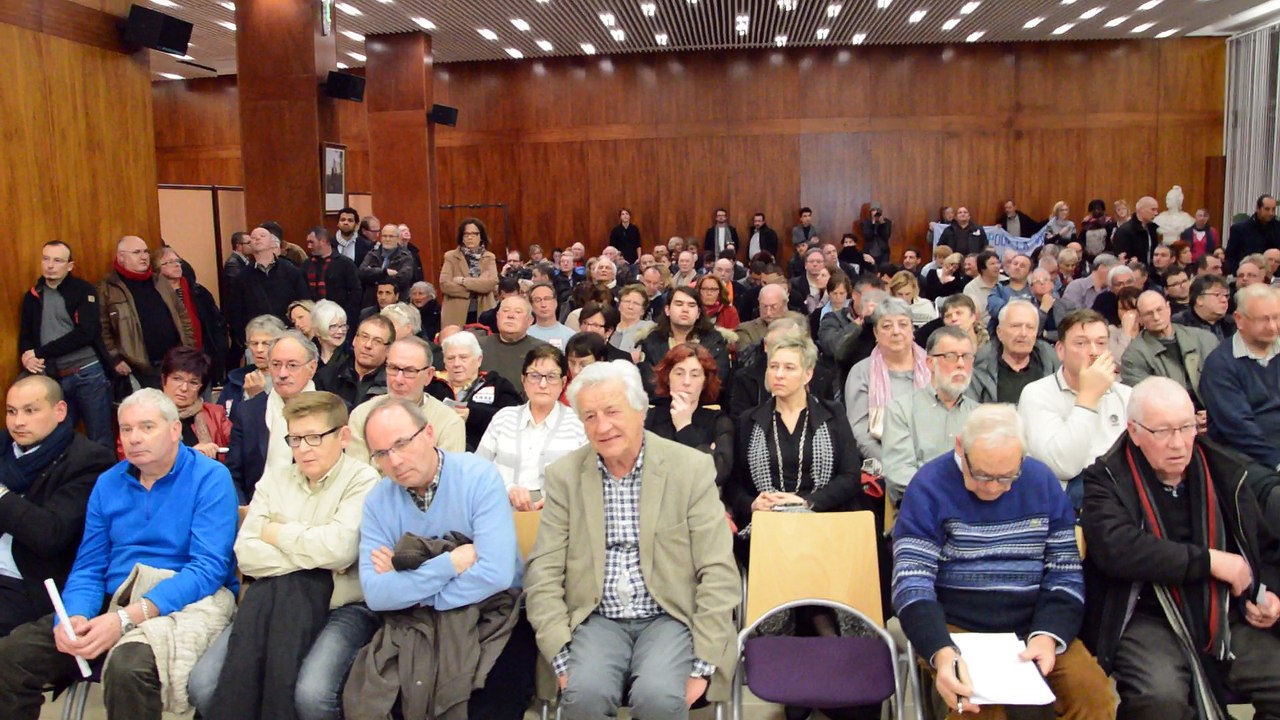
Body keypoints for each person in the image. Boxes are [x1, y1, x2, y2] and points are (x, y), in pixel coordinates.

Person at [0, 388, 238, 720]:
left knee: (128, 668)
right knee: (13, 654)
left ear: (174, 430)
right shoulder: (109, 482)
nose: (134, 438)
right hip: (114, 597)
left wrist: (127, 618)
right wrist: (74, 616)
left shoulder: (211, 477)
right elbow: (89, 565)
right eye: (126, 429)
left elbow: (207, 569)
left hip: (182, 600)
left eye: (147, 427)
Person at [525, 360, 739, 719]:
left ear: (641, 411)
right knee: (585, 696)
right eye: (590, 416)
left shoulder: (690, 468)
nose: (602, 426)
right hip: (595, 617)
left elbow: (718, 571)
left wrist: (702, 667)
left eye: (612, 411)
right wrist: (561, 660)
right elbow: (543, 573)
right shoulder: (564, 476)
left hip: (670, 616)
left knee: (659, 698)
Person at [894, 405, 1114, 720]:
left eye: (1008, 477)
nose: (994, 487)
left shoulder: (1041, 481)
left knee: (1094, 696)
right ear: (960, 447)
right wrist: (941, 650)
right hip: (958, 628)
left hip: (1032, 624)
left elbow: (1064, 572)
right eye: (982, 475)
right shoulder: (929, 486)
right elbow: (912, 582)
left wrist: (1049, 634)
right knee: (979, 706)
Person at [1081, 377, 1280, 720]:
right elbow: (1119, 549)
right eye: (1163, 431)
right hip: (1145, 615)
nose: (1178, 444)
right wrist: (1208, 561)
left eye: (1187, 428)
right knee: (1160, 700)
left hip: (1223, 611)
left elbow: (1264, 549)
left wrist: (1270, 593)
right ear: (1134, 431)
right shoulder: (1106, 478)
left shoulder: (1225, 470)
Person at [187, 391, 379, 720]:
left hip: (341, 605)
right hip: (271, 600)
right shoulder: (275, 480)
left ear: (343, 437)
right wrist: (313, 550)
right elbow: (246, 554)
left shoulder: (363, 480)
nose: (303, 449)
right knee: (204, 685)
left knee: (311, 695)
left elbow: (340, 549)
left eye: (315, 437)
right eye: (295, 439)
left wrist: (276, 533)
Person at [350, 398, 535, 719]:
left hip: (495, 613)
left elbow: (496, 573)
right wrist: (449, 564)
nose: (395, 461)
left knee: (486, 706)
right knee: (383, 701)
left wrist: (410, 588)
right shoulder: (378, 501)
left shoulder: (478, 477)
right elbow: (377, 595)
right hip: (416, 625)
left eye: (401, 444)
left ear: (429, 434)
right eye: (381, 454)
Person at [0, 376, 114, 636]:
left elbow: (50, 534)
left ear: (60, 411)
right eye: (11, 411)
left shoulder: (89, 460)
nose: (18, 422)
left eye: (30, 411)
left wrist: (2, 495)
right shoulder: (3, 447)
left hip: (28, 584)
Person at [1019, 309, 1132, 509]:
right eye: (1081, 343)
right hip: (1065, 506)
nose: (1094, 352)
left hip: (1122, 498)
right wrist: (1088, 397)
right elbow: (1063, 467)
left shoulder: (1126, 395)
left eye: (1101, 343)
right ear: (1060, 350)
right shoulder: (1036, 394)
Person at [19, 241, 114, 447]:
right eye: (46, 259)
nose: (50, 265)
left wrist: (40, 352)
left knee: (99, 437)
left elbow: (85, 333)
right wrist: (27, 357)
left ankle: (106, 469)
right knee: (58, 440)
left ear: (69, 266)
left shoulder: (84, 290)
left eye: (57, 260)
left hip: (87, 374)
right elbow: (26, 335)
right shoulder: (33, 295)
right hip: (53, 377)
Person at [476, 345, 586, 511]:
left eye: (551, 377)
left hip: (560, 513)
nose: (542, 384)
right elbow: (479, 469)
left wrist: (559, 498)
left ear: (563, 382)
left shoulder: (578, 423)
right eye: (534, 376)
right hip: (501, 509)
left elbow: (588, 479)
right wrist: (508, 489)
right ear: (523, 380)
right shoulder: (504, 418)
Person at [882, 326, 977, 504]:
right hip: (922, 506)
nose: (961, 364)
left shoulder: (980, 416)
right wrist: (948, 495)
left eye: (967, 356)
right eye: (950, 356)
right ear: (930, 363)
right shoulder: (901, 410)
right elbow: (899, 473)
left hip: (972, 508)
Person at [228, 330, 319, 502]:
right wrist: (245, 509)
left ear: (312, 368)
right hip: (256, 508)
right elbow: (233, 474)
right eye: (276, 364)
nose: (282, 373)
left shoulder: (331, 412)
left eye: (292, 365)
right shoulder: (249, 412)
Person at [347, 337, 465, 465]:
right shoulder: (362, 415)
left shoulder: (449, 423)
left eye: (410, 371)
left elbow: (447, 475)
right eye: (393, 368)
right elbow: (359, 475)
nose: (398, 380)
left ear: (428, 375)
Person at [1200, 284, 1280, 472]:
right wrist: (1277, 462)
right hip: (1245, 459)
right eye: (1263, 319)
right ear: (1239, 320)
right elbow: (1239, 429)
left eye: (1276, 317)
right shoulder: (1220, 365)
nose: (1272, 326)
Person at [844, 297, 932, 465]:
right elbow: (859, 432)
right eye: (887, 326)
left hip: (933, 460)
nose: (896, 332)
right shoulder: (861, 372)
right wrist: (896, 463)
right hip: (884, 462)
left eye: (903, 324)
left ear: (913, 329)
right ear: (876, 333)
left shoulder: (933, 366)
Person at [99, 236, 195, 390]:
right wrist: (114, 359)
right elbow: (102, 329)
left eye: (145, 252)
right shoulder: (108, 288)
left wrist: (188, 348)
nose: (144, 256)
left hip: (174, 362)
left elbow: (182, 315)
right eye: (136, 252)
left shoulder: (160, 281)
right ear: (121, 257)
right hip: (139, 368)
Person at [647, 343, 733, 488]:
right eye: (679, 373)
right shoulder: (649, 418)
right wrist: (705, 450)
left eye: (695, 375)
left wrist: (684, 426)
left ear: (705, 381)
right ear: (668, 377)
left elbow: (716, 473)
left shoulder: (719, 421)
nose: (686, 382)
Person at [124, 346, 231, 463]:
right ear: (164, 379)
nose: (184, 388)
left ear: (201, 387)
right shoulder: (143, 416)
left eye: (193, 382)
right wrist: (189, 456)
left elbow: (237, 450)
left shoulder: (216, 414)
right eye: (177, 379)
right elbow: (131, 461)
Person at [1121, 291, 1219, 415]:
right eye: (1149, 313)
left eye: (1159, 310)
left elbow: (1225, 383)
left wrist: (1214, 414)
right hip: (1171, 419)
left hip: (1215, 414)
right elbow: (1147, 402)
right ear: (1139, 318)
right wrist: (1189, 418)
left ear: (1168, 307)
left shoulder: (1204, 339)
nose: (1156, 317)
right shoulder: (1133, 356)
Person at [427, 330, 521, 451]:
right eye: (450, 358)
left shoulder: (497, 384)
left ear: (479, 360)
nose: (456, 364)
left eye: (463, 358)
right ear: (444, 362)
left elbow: (514, 420)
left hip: (483, 453)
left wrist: (472, 414)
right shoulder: (432, 385)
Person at [635, 286, 732, 402]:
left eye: (691, 305)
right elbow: (649, 382)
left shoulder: (715, 341)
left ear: (698, 313)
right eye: (679, 304)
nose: (685, 309)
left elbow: (718, 381)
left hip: (703, 407)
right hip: (661, 407)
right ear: (667, 310)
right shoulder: (652, 341)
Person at [223, 226, 310, 350]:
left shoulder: (292, 272)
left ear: (273, 243)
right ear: (250, 245)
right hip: (257, 341)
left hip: (289, 337)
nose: (257, 239)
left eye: (262, 236)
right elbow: (235, 311)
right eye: (253, 237)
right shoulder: (241, 277)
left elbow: (304, 303)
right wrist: (243, 339)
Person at [968, 299, 1060, 405]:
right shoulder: (979, 368)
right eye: (1016, 326)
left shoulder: (1053, 365)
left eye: (1030, 327)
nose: (1023, 333)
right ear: (999, 332)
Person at [478, 295, 549, 398]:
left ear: (530, 320)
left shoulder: (543, 351)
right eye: (505, 311)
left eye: (518, 312)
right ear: (497, 316)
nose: (510, 316)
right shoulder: (477, 347)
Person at [315, 315, 391, 409]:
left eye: (377, 341)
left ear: (388, 349)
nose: (368, 345)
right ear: (354, 340)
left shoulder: (391, 385)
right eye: (364, 337)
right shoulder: (326, 377)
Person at [218, 314, 287, 412]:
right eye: (254, 343)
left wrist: (257, 397)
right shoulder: (235, 380)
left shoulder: (289, 380)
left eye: (266, 343)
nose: (259, 349)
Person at [440, 218, 499, 327]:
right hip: (456, 311)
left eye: (474, 234)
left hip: (483, 309)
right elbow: (445, 285)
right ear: (462, 238)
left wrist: (463, 281)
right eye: (466, 234)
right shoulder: (450, 256)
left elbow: (491, 283)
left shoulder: (489, 257)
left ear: (481, 236)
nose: (470, 237)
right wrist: (478, 286)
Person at [303, 226, 363, 325]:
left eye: (311, 242)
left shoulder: (345, 263)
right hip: (314, 316)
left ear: (323, 241)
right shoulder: (306, 265)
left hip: (341, 317)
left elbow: (355, 291)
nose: (309, 246)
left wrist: (347, 314)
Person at [1226, 194, 1279, 275]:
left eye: (1273, 209)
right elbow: (1231, 256)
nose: (1271, 213)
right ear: (1258, 208)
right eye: (1267, 209)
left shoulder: (1278, 228)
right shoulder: (1239, 229)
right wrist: (1238, 273)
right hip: (1246, 275)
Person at [1173, 274, 1236, 342]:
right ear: (1199, 299)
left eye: (1226, 296)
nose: (1224, 300)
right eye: (1217, 295)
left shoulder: (1233, 323)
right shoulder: (1179, 324)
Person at [985, 253, 1033, 325]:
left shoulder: (1033, 291)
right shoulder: (998, 288)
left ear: (1029, 272)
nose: (1017, 267)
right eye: (1015, 264)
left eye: (1022, 266)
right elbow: (996, 310)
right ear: (1009, 267)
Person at [526, 281, 576, 349]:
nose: (543, 305)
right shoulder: (524, 335)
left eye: (547, 299)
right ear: (531, 305)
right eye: (537, 300)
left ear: (555, 302)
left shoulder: (570, 336)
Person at [1113, 196, 1160, 266]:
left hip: (1152, 270)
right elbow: (1123, 259)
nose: (1156, 213)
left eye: (1156, 210)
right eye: (1153, 209)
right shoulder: (1124, 231)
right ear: (1141, 209)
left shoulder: (1152, 229)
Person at [610, 284, 655, 354]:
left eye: (636, 303)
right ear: (619, 306)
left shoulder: (648, 330)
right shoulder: (609, 328)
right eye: (627, 301)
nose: (630, 307)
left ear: (643, 310)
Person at [963, 251, 1001, 326]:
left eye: (998, 263)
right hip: (982, 328)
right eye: (992, 264)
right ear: (982, 268)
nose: (997, 266)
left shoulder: (1006, 282)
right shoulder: (971, 288)